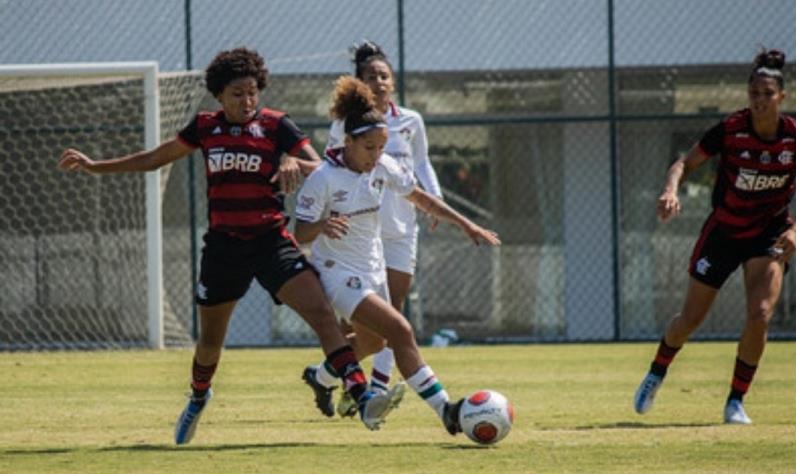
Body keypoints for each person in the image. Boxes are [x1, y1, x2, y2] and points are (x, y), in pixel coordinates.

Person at [57, 47, 402, 444]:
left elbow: (322, 166)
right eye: (237, 93)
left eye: (253, 92)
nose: (247, 100)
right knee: (209, 342)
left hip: (273, 243)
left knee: (323, 316)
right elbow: (157, 158)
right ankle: (199, 396)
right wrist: (96, 165)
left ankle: (362, 398)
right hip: (223, 249)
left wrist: (293, 163)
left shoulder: (276, 125)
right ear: (220, 95)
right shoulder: (205, 127)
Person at [294, 75, 500, 434]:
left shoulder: (383, 166)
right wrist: (324, 224)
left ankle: (321, 377)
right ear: (348, 141)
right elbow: (300, 233)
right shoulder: (323, 178)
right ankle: (447, 412)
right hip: (336, 271)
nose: (376, 155)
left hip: (372, 266)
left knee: (375, 341)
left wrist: (465, 224)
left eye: (381, 146)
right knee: (401, 330)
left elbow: (419, 196)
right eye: (369, 147)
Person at [633, 48, 796, 424]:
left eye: (767, 94)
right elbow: (683, 162)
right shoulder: (731, 130)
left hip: (770, 234)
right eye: (754, 93)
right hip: (724, 232)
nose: (760, 100)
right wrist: (670, 190)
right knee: (691, 319)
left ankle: (735, 401)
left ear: (782, 97)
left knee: (760, 314)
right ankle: (656, 372)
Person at [302, 41, 445, 419]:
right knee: (382, 324)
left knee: (388, 322)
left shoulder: (410, 121)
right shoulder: (345, 128)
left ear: (393, 82)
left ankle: (335, 377)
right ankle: (372, 392)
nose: (378, 82)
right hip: (358, 235)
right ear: (360, 84)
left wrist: (439, 202)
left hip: (400, 231)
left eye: (384, 75)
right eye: (370, 77)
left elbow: (422, 165)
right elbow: (334, 171)